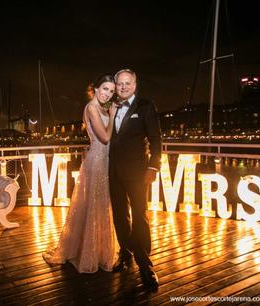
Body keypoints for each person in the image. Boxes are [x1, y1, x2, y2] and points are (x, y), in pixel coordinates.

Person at [43, 74, 119, 273]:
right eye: (105, 89)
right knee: (93, 205)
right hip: (97, 161)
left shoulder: (102, 107)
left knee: (101, 205)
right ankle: (88, 253)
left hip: (104, 160)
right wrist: (112, 117)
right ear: (95, 89)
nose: (108, 94)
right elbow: (104, 137)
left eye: (111, 91)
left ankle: (99, 250)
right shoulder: (92, 108)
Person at [109, 69, 162, 289]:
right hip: (113, 172)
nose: (123, 87)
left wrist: (152, 167)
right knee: (120, 215)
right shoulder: (110, 106)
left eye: (127, 83)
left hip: (138, 172)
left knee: (140, 215)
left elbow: (156, 140)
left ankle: (145, 264)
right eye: (119, 83)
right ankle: (125, 252)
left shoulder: (145, 106)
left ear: (135, 84)